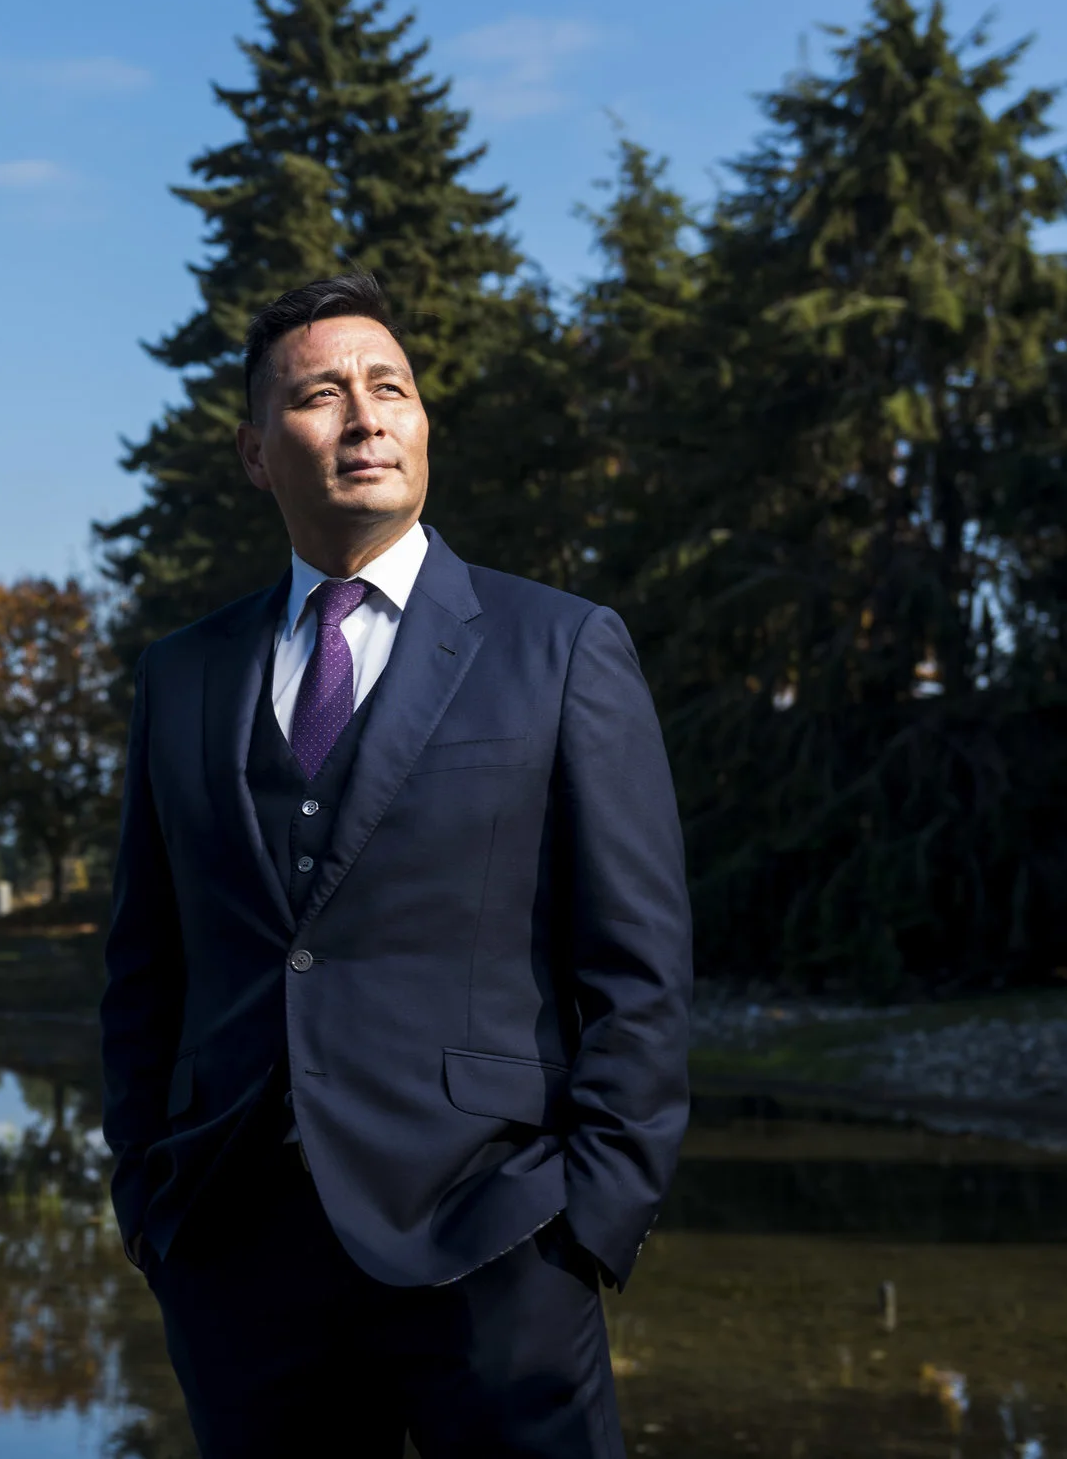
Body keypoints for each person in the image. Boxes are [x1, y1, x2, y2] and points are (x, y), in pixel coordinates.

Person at [100, 272, 691, 1457]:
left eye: (391, 388)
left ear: (421, 425)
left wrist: (590, 1219)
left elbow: (638, 965)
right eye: (320, 394)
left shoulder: (562, 646)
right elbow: (142, 966)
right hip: (237, 1253)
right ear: (256, 451)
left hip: (498, 1240)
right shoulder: (183, 675)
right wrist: (147, 1204)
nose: (366, 416)